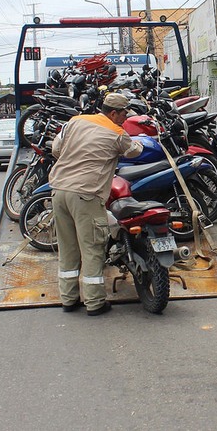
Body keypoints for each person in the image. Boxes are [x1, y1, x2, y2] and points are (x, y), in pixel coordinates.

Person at [48, 93, 143, 316]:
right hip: (86, 194)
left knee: (68, 248)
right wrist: (138, 141)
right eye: (122, 114)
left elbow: (56, 149)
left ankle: (69, 299)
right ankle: (95, 303)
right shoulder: (117, 133)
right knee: (92, 248)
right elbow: (134, 152)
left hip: (59, 190)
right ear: (113, 113)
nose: (124, 119)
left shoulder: (75, 121)